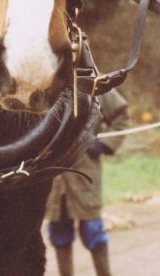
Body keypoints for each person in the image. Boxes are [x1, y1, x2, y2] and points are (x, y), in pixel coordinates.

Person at [46, 88, 129, 276]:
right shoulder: (45, 82)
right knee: (59, 233)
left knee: (93, 232)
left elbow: (121, 116)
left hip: (85, 173)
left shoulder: (95, 84)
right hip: (52, 176)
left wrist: (103, 145)